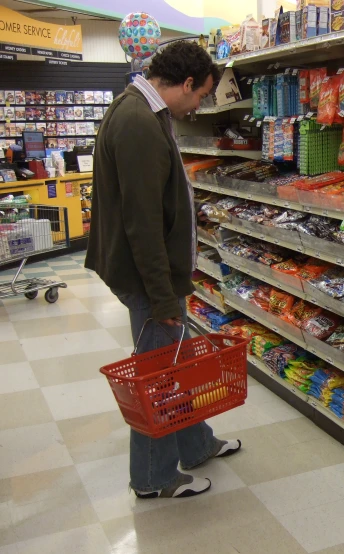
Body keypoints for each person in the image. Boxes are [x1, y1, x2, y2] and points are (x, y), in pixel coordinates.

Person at [86, 41, 241, 499]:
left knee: (176, 364)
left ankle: (195, 444)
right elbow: (142, 222)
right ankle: (153, 477)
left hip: (156, 276)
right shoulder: (136, 122)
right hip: (148, 279)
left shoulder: (144, 110)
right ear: (186, 83)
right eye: (200, 96)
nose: (199, 106)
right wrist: (160, 297)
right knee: (159, 379)